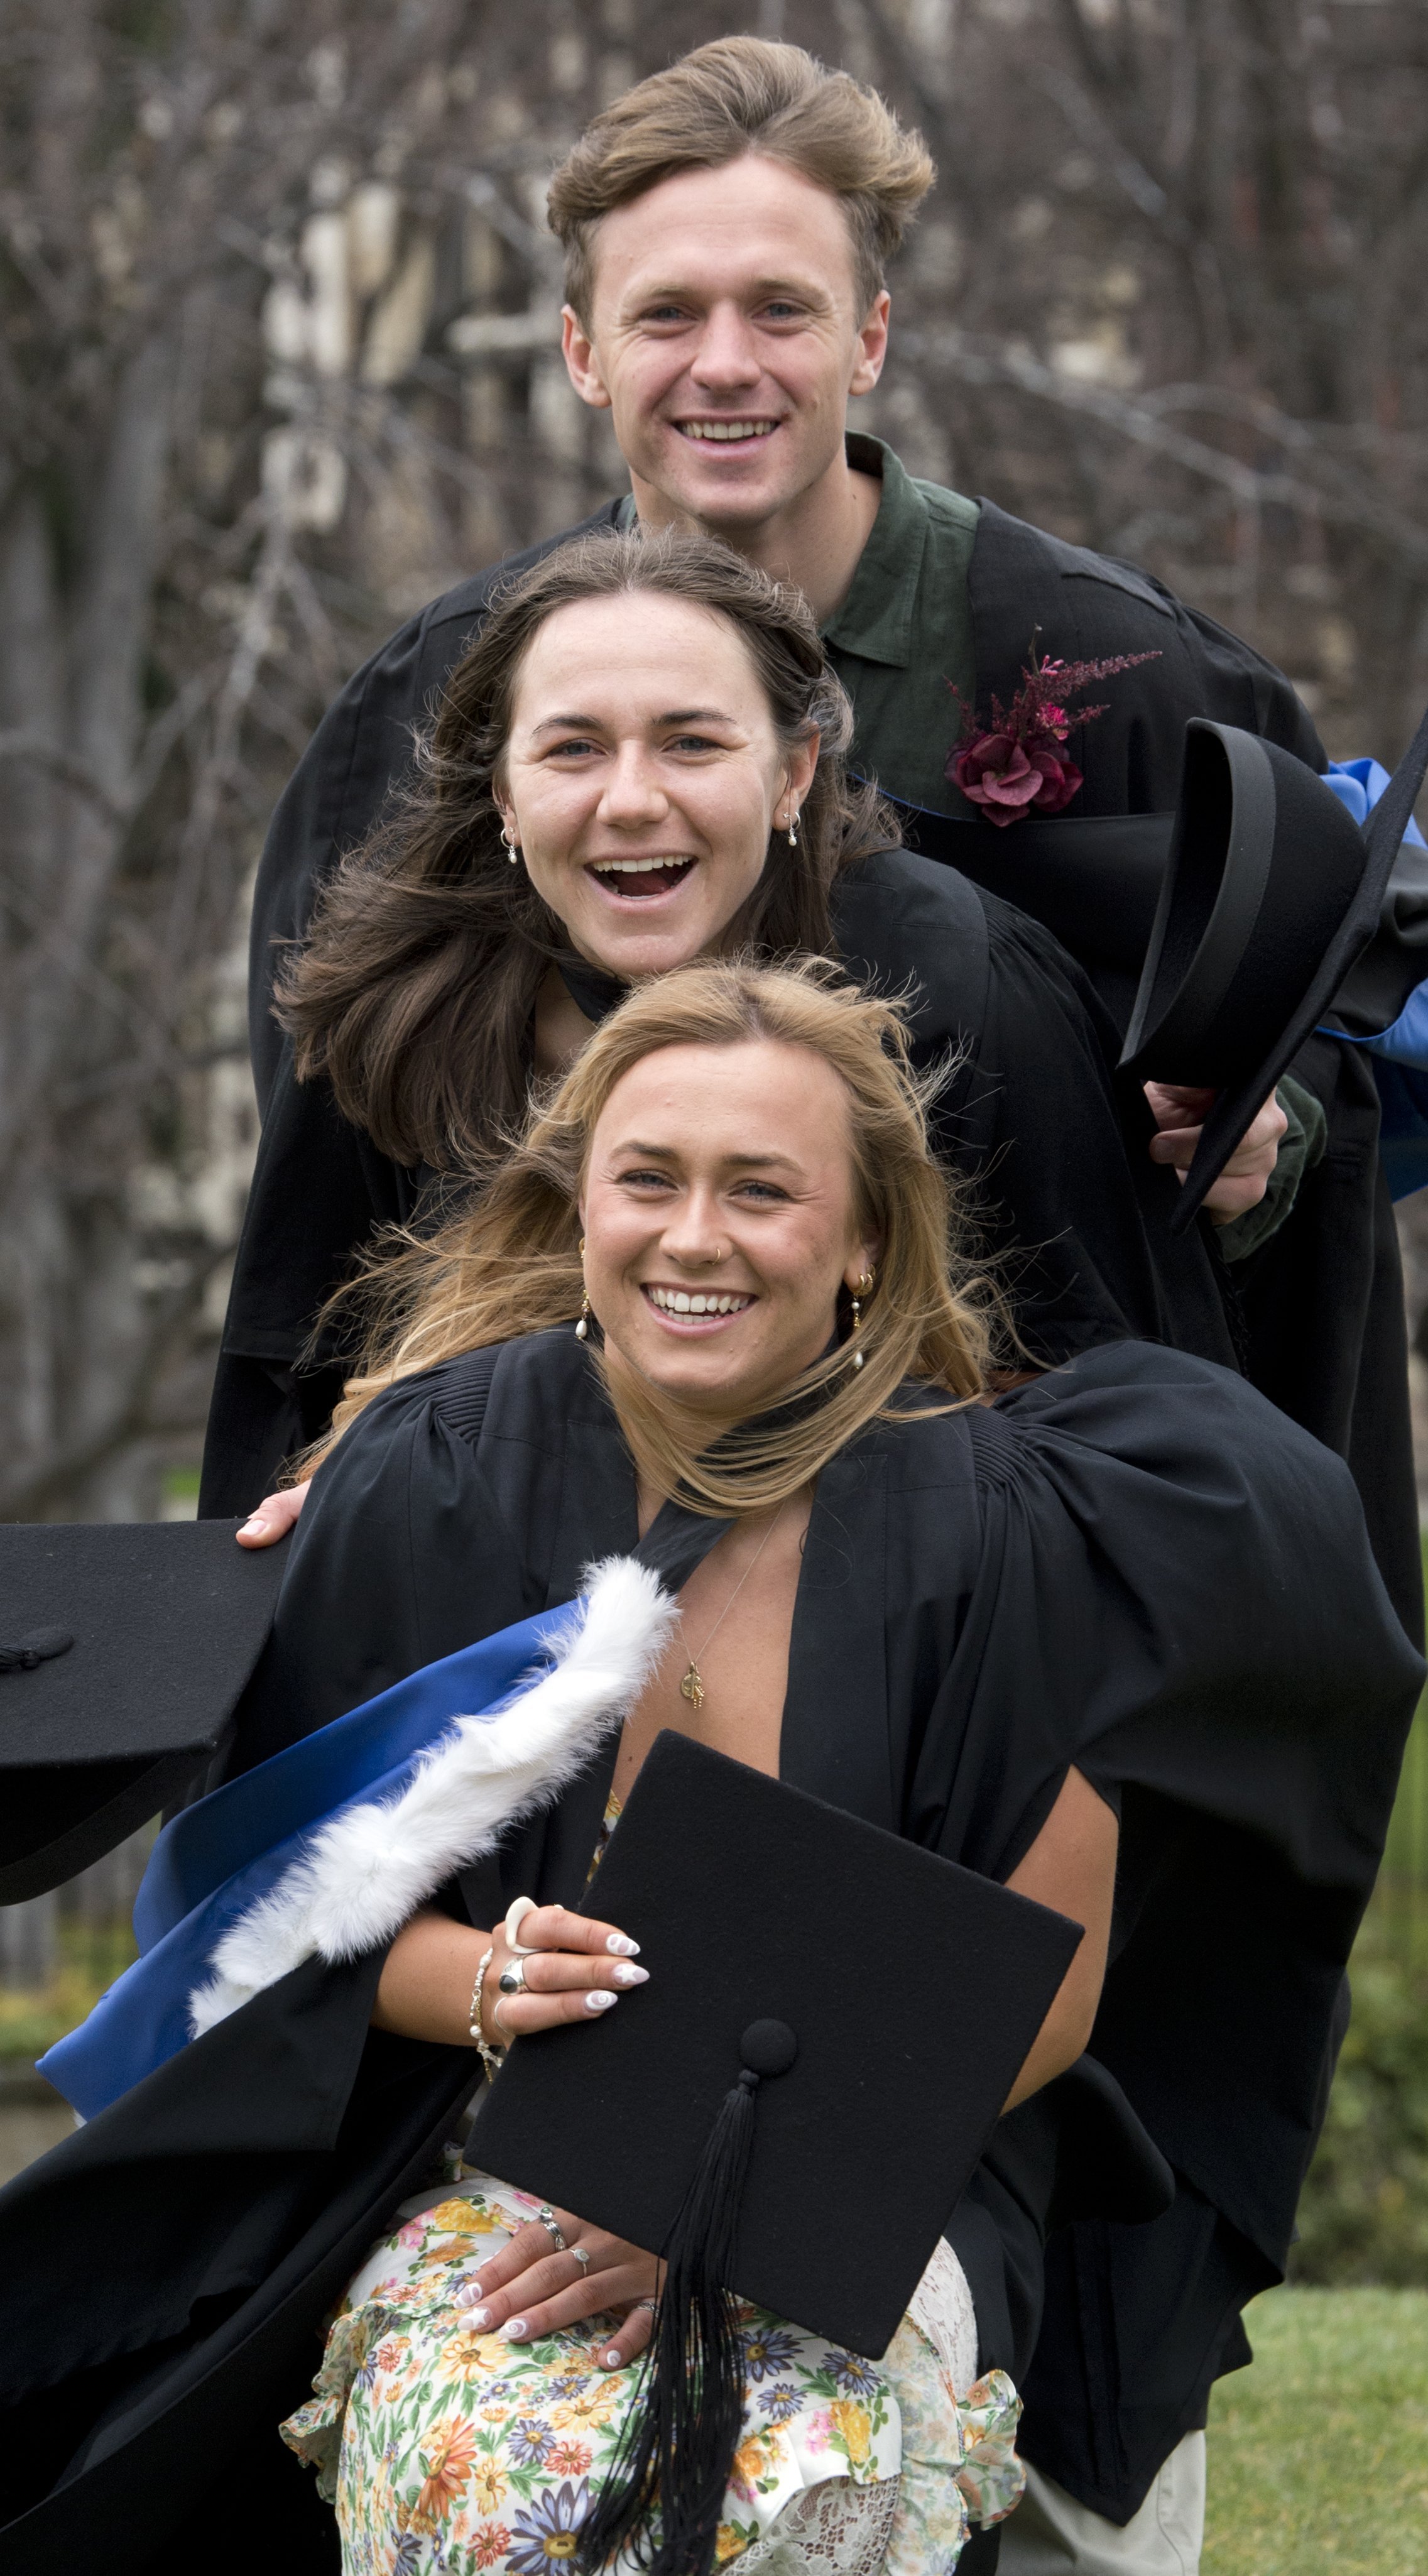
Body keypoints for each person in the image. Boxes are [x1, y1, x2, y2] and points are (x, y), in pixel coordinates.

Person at [5, 964, 1419, 2576]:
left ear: (865, 1240)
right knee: (512, 2477)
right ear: (580, 1203)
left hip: (885, 2170)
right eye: (649, 1180)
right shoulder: (432, 1479)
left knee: (782, 2487)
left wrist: (735, 2200)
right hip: (477, 2164)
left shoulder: (1008, 1530)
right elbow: (257, 1913)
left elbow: (1049, 1988)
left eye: (764, 1190)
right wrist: (480, 1976)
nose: (696, 1238)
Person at [214, 528, 1284, 1536]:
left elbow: (1104, 1386)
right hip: (470, 1603)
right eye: (573, 749)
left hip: (891, 1604)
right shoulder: (400, 1002)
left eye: (690, 743)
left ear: (793, 772)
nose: (630, 800)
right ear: (503, 793)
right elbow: (295, 1376)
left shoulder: (956, 983)